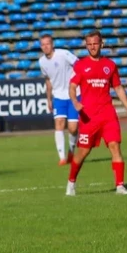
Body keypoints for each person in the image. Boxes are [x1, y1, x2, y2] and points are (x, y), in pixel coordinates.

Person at [66, 30, 127, 196]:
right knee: (83, 152)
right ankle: (71, 182)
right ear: (86, 45)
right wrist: (75, 102)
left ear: (102, 44)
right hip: (88, 117)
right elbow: (72, 87)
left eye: (95, 43)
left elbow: (118, 88)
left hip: (108, 115)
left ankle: (120, 186)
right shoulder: (80, 65)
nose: (92, 47)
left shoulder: (110, 65)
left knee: (115, 147)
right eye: (89, 44)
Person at [38, 35, 79, 165]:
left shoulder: (63, 54)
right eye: (43, 44)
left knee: (73, 128)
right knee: (59, 124)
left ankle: (71, 151)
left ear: (52, 44)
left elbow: (79, 65)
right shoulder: (42, 62)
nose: (45, 46)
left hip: (73, 94)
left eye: (47, 44)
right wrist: (49, 99)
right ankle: (62, 157)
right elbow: (48, 80)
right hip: (59, 96)